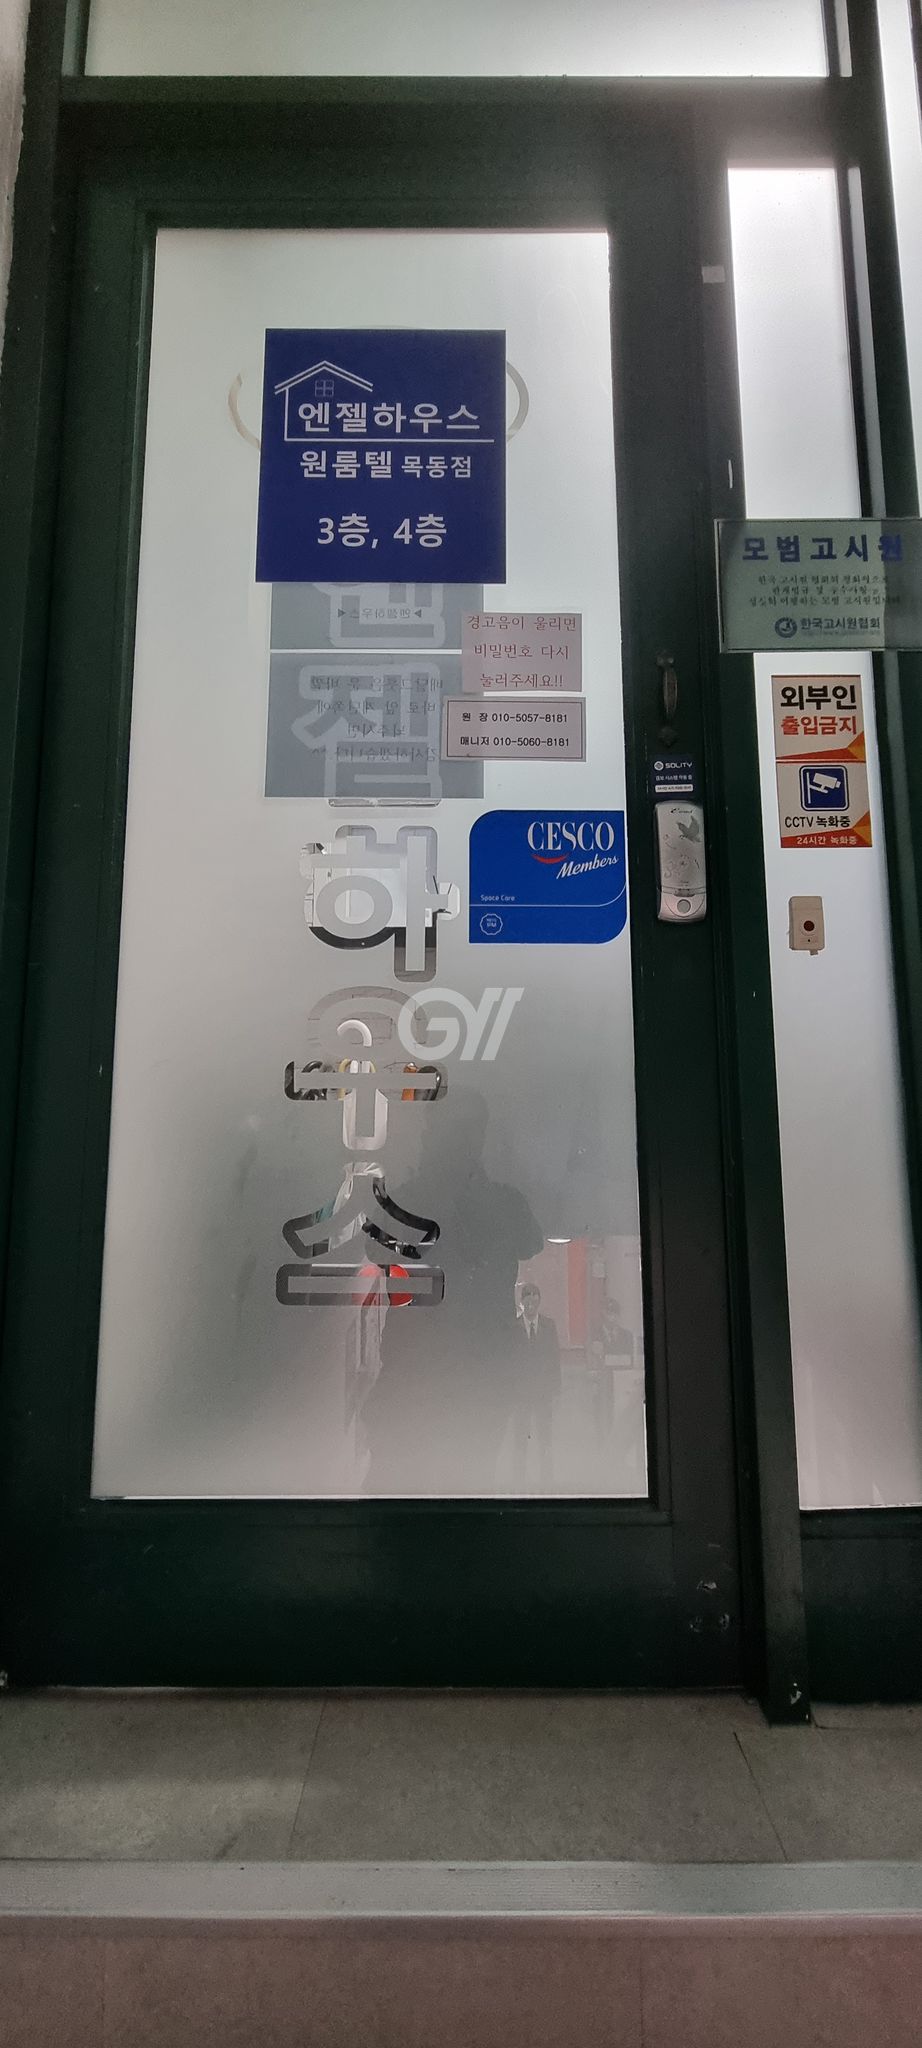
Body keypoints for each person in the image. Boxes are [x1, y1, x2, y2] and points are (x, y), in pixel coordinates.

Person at [511, 1282, 560, 1490]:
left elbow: (554, 1359)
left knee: (545, 1437)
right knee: (520, 1437)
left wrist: (556, 1390)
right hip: (521, 1393)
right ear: (522, 1302)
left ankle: (547, 1480)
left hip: (543, 1393)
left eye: (534, 1296)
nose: (531, 1300)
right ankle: (519, 1480)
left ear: (539, 1301)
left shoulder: (549, 1326)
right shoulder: (513, 1327)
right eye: (527, 1296)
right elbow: (509, 1362)